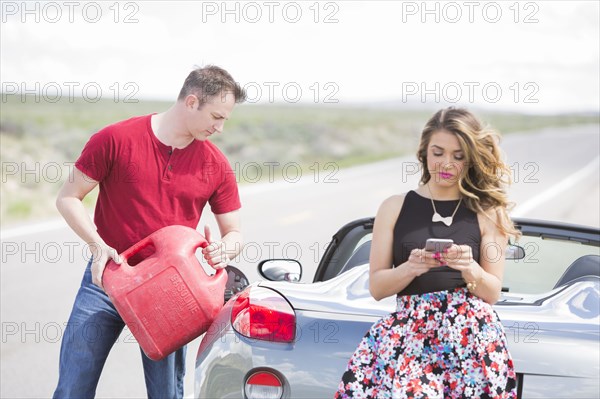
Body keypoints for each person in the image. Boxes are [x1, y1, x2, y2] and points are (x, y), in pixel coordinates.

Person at [53, 65, 247, 398]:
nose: (220, 128)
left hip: (172, 292)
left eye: (225, 120)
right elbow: (68, 198)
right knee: (73, 388)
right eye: (216, 117)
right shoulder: (115, 139)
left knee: (166, 394)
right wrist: (97, 247)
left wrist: (225, 249)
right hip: (107, 281)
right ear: (191, 102)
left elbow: (235, 233)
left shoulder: (216, 164)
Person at [335, 107, 519, 398]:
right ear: (424, 153)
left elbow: (492, 292)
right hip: (411, 333)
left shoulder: (488, 212)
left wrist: (469, 268)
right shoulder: (393, 207)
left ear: (471, 159)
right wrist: (410, 268)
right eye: (438, 153)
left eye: (458, 156)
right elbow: (377, 288)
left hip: (471, 336)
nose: (447, 163)